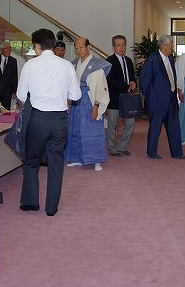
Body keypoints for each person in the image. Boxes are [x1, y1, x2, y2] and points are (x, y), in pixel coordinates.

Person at [17, 28, 81, 216]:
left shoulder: (30, 65)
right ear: (53, 45)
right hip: (59, 121)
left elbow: (21, 95)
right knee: (56, 164)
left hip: (37, 120)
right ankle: (51, 208)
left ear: (37, 45)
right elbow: (76, 96)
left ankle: (30, 203)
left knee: (31, 160)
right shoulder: (67, 65)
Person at [139, 35, 185, 160]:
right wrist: (150, 96)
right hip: (157, 100)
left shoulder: (170, 58)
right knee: (155, 127)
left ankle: (177, 152)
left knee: (174, 126)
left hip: (171, 98)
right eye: (171, 44)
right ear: (164, 46)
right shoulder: (153, 60)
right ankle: (152, 152)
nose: (172, 47)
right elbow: (144, 80)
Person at [65, 38, 111, 171]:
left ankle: (96, 160)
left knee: (92, 129)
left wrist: (96, 106)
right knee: (75, 129)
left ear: (88, 47)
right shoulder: (74, 64)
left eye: (81, 47)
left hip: (89, 100)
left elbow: (100, 87)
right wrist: (68, 101)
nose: (78, 50)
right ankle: (76, 158)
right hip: (75, 101)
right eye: (76, 48)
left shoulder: (96, 65)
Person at [105, 35, 138, 157]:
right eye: (118, 45)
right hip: (114, 98)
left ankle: (122, 146)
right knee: (112, 124)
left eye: (123, 45)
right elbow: (110, 80)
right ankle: (112, 148)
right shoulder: (109, 61)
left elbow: (132, 76)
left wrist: (134, 82)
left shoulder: (128, 61)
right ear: (113, 47)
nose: (121, 48)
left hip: (127, 98)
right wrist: (125, 87)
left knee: (130, 122)